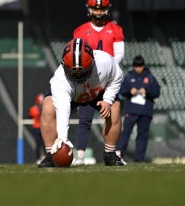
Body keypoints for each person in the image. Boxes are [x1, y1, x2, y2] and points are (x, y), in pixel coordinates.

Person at [38, 38, 124, 168]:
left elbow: (117, 77)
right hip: (73, 96)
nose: (78, 76)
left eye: (82, 72)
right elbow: (63, 107)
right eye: (74, 73)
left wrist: (108, 100)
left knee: (115, 108)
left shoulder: (105, 61)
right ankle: (51, 154)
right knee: (48, 106)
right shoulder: (60, 79)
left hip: (97, 91)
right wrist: (62, 136)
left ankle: (110, 153)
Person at [72, 0, 125, 166]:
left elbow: (119, 55)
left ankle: (112, 153)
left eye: (102, 9)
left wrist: (104, 71)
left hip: (108, 81)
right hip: (88, 81)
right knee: (84, 118)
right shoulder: (80, 31)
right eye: (96, 9)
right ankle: (80, 155)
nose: (99, 12)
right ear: (89, 9)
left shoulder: (115, 30)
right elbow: (76, 55)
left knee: (113, 113)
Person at [115, 55, 160, 162]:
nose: (138, 68)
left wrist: (147, 91)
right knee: (125, 133)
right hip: (131, 110)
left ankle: (139, 159)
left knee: (142, 135)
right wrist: (130, 91)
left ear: (143, 66)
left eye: (140, 66)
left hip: (145, 111)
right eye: (136, 66)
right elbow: (121, 91)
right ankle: (119, 156)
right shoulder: (129, 77)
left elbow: (157, 92)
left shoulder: (150, 78)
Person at [29, 93, 45, 164]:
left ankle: (44, 156)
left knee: (45, 144)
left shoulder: (45, 108)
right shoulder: (34, 109)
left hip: (44, 127)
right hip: (37, 128)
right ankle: (38, 158)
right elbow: (31, 115)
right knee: (38, 143)